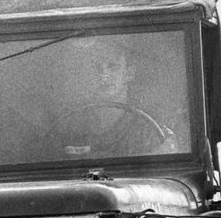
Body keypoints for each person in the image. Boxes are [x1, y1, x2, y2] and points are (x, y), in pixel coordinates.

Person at [44, 42, 178, 160]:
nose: (104, 76)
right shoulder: (71, 124)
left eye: (113, 67)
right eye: (97, 68)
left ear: (128, 74)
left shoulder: (148, 127)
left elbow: (159, 169)